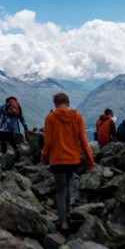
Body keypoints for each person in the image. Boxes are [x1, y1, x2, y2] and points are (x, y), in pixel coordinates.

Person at [41, 93, 95, 234]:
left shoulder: (50, 117)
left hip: (57, 159)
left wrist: (43, 157)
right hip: (72, 160)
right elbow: (83, 140)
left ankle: (63, 222)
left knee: (60, 191)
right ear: (68, 102)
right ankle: (68, 214)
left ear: (55, 104)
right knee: (68, 187)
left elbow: (48, 142)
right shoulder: (77, 116)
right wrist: (90, 161)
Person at [0, 96, 29, 167]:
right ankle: (17, 157)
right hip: (14, 130)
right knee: (14, 144)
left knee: (3, 143)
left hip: (3, 129)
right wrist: (25, 128)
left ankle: (4, 156)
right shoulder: (18, 108)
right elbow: (22, 119)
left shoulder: (3, 106)